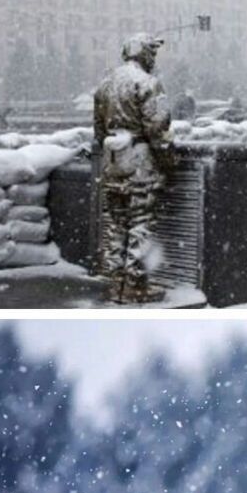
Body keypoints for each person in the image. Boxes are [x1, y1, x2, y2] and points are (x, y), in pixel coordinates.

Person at [91, 33, 176, 304]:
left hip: (112, 161)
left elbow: (98, 130)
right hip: (140, 164)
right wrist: (169, 160)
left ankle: (113, 282)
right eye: (152, 53)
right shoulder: (148, 83)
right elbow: (157, 128)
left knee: (115, 223)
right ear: (144, 55)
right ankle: (135, 285)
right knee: (141, 222)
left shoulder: (105, 84)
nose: (154, 58)